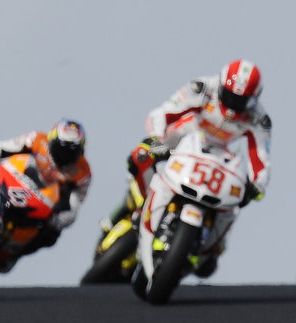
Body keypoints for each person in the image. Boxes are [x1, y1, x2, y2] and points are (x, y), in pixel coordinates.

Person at [98, 60, 272, 278]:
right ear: (220, 86)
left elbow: (261, 157)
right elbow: (162, 113)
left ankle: (213, 247)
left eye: (240, 100)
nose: (232, 105)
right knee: (140, 156)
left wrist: (257, 185)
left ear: (253, 99)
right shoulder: (201, 88)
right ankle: (137, 204)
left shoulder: (259, 119)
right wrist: (156, 140)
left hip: (218, 156)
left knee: (237, 200)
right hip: (182, 139)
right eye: (229, 96)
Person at [0, 119, 92, 267]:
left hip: (45, 201)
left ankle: (15, 252)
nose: (64, 155)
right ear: (51, 141)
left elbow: (76, 202)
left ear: (80, 152)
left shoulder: (83, 172)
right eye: (60, 148)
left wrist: (59, 218)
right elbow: (3, 147)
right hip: (17, 179)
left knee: (52, 235)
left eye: (71, 152)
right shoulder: (36, 139)